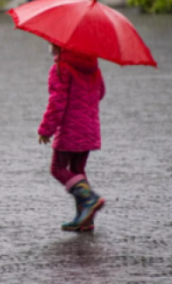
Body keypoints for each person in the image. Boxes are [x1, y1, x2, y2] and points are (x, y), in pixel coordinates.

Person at [38, 43, 106, 231]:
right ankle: (86, 218)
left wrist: (46, 129)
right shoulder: (93, 68)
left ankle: (89, 198)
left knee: (58, 168)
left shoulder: (61, 68)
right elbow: (100, 93)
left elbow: (57, 103)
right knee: (77, 169)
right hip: (89, 128)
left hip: (70, 129)